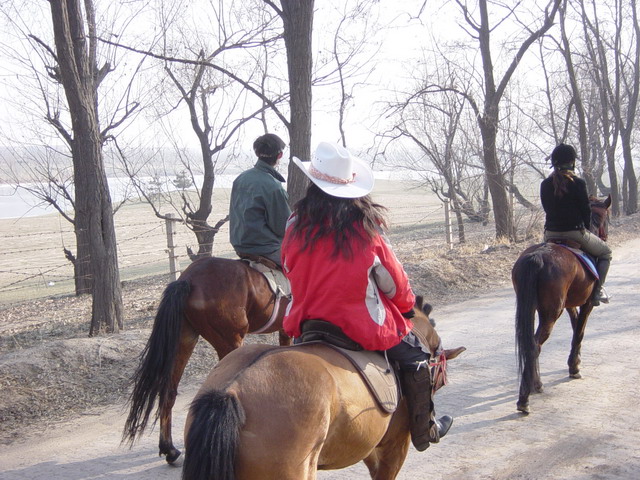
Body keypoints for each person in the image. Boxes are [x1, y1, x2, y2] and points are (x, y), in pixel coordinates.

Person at [281, 141, 453, 452]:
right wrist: (404, 308)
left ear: (313, 182)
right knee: (415, 356)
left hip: (308, 323)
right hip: (359, 327)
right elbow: (394, 283)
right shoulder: (364, 227)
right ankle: (424, 429)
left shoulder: (295, 224)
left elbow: (288, 266)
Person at [540, 143, 612, 305]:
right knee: (606, 253)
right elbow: (585, 211)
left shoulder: (545, 184)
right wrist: (587, 228)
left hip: (550, 233)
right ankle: (597, 291)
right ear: (572, 162)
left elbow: (547, 209)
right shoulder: (578, 183)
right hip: (575, 232)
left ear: (555, 162)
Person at [229, 133, 291, 268]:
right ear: (279, 156)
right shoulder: (274, 187)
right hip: (266, 249)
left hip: (239, 245)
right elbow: (283, 228)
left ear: (257, 152)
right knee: (305, 268)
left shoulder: (240, 179)